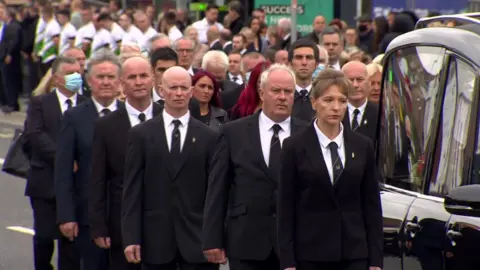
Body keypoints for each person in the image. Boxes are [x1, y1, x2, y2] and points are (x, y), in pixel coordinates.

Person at [203, 64, 308, 270]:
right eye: (276, 90)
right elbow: (217, 189)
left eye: (288, 92)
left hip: (296, 243)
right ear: (262, 93)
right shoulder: (233, 132)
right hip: (246, 241)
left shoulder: (307, 133)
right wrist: (212, 239)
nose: (282, 97)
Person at [277, 69, 383, 270]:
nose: (336, 107)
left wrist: (376, 260)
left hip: (354, 253)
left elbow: (371, 205)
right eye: (328, 100)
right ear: (314, 102)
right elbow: (285, 206)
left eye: (342, 101)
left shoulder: (362, 145)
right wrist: (288, 261)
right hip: (310, 253)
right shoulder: (294, 147)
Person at [122, 66, 219, 270]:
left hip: (198, 241)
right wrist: (131, 236)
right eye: (173, 87)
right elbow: (132, 189)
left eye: (184, 88)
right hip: (155, 240)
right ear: (161, 90)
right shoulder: (140, 135)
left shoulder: (209, 137)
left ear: (191, 91)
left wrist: (215, 238)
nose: (178, 93)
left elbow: (216, 192)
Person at [88, 56, 162, 270]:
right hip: (121, 223)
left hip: (164, 223)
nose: (138, 82)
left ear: (153, 80)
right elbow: (98, 180)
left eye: (143, 76)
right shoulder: (105, 126)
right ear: (122, 83)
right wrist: (99, 227)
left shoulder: (167, 117)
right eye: (132, 77)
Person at [55, 50, 124, 270]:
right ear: (89, 81)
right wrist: (66, 216)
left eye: (111, 77)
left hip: (125, 214)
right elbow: (63, 171)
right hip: (87, 215)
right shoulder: (74, 117)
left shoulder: (130, 116)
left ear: (119, 81)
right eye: (100, 77)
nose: (105, 82)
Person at [24, 56, 85, 270]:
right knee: (44, 235)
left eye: (78, 72)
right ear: (57, 78)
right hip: (45, 180)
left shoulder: (86, 104)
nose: (76, 77)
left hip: (76, 183)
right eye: (70, 73)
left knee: (72, 238)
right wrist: (64, 158)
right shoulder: (40, 103)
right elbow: (35, 135)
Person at [341, 61, 379, 143]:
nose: (355, 85)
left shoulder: (381, 114)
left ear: (369, 82)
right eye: (350, 80)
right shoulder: (335, 112)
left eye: (360, 79)